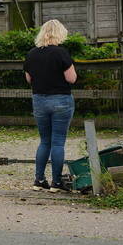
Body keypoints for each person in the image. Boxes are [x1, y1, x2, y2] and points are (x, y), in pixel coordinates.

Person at [23, 19, 77, 193]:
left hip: (39, 100)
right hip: (61, 100)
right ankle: (56, 182)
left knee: (44, 141)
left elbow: (29, 79)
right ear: (60, 33)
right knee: (58, 142)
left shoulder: (32, 54)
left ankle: (39, 180)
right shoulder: (61, 53)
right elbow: (71, 78)